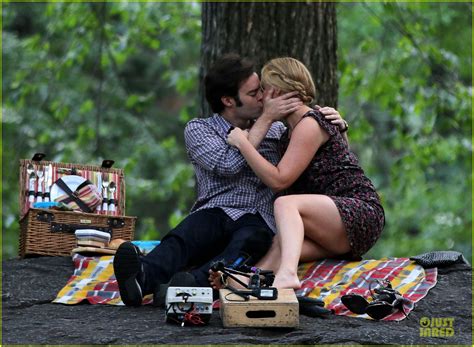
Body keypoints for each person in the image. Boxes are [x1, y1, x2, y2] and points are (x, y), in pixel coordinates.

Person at [113, 54, 346, 306]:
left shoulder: (279, 130)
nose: (263, 97)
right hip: (217, 210)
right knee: (184, 236)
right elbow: (228, 165)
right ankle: (141, 277)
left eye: (262, 90)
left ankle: (191, 287)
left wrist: (335, 126)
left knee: (249, 245)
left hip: (259, 218)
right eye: (254, 93)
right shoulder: (200, 129)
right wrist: (265, 121)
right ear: (228, 100)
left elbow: (316, 155)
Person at [218, 57, 385, 290]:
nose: (260, 98)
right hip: (335, 228)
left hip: (358, 212)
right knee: (281, 243)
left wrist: (243, 143)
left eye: (263, 91)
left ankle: (287, 275)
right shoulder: (290, 133)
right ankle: (246, 282)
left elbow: (279, 180)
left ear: (277, 93)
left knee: (285, 205)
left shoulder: (310, 123)